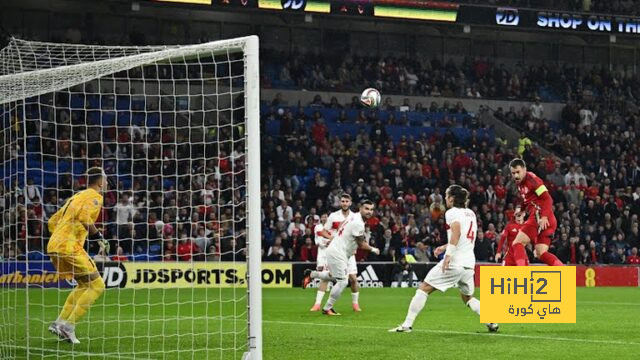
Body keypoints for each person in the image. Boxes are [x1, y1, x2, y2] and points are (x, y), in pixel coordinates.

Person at [388, 185, 498, 333]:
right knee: (468, 298)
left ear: (451, 199)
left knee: (423, 289)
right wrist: (444, 246)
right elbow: (462, 237)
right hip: (469, 264)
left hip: (455, 262)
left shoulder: (452, 212)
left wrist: (447, 256)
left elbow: (457, 232)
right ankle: (491, 320)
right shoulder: (470, 213)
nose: (445, 199)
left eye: (446, 196)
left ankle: (407, 325)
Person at [46, 167, 108, 344]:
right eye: (106, 180)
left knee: (84, 284)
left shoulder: (75, 197)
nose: (107, 184)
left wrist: (60, 237)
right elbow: (84, 217)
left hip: (54, 245)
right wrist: (99, 238)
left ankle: (59, 323)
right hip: (69, 246)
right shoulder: (95, 197)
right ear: (100, 182)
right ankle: (68, 326)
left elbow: (52, 222)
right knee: (97, 285)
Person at [302, 200, 380, 315]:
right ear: (360, 209)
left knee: (332, 276)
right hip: (338, 253)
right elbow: (361, 244)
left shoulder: (353, 216)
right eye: (366, 209)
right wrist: (374, 249)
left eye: (371, 209)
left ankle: (312, 274)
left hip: (337, 250)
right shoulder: (358, 223)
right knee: (343, 281)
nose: (369, 211)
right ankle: (328, 307)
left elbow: (341, 230)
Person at [509, 158, 563, 266]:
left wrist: (544, 217)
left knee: (517, 243)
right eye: (513, 173)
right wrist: (522, 210)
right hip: (548, 219)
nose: (516, 176)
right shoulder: (520, 183)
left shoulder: (533, 181)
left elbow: (548, 199)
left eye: (518, 172)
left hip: (540, 217)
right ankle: (564, 273)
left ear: (524, 170)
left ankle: (524, 275)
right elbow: (528, 199)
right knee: (540, 253)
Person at [314, 194, 363, 311]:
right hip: (336, 252)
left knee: (353, 279)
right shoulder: (333, 216)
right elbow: (324, 231)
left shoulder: (355, 217)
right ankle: (317, 304)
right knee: (328, 277)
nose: (344, 203)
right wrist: (332, 239)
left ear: (350, 203)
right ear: (340, 203)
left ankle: (355, 304)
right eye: (342, 201)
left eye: (347, 201)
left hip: (349, 253)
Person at [309, 213, 331, 311]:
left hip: (330, 253)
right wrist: (326, 243)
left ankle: (318, 302)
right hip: (321, 252)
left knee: (326, 274)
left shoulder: (332, 227)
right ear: (320, 218)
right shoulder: (318, 227)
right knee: (321, 270)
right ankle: (312, 275)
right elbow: (318, 240)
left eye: (326, 216)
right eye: (323, 216)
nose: (324, 218)